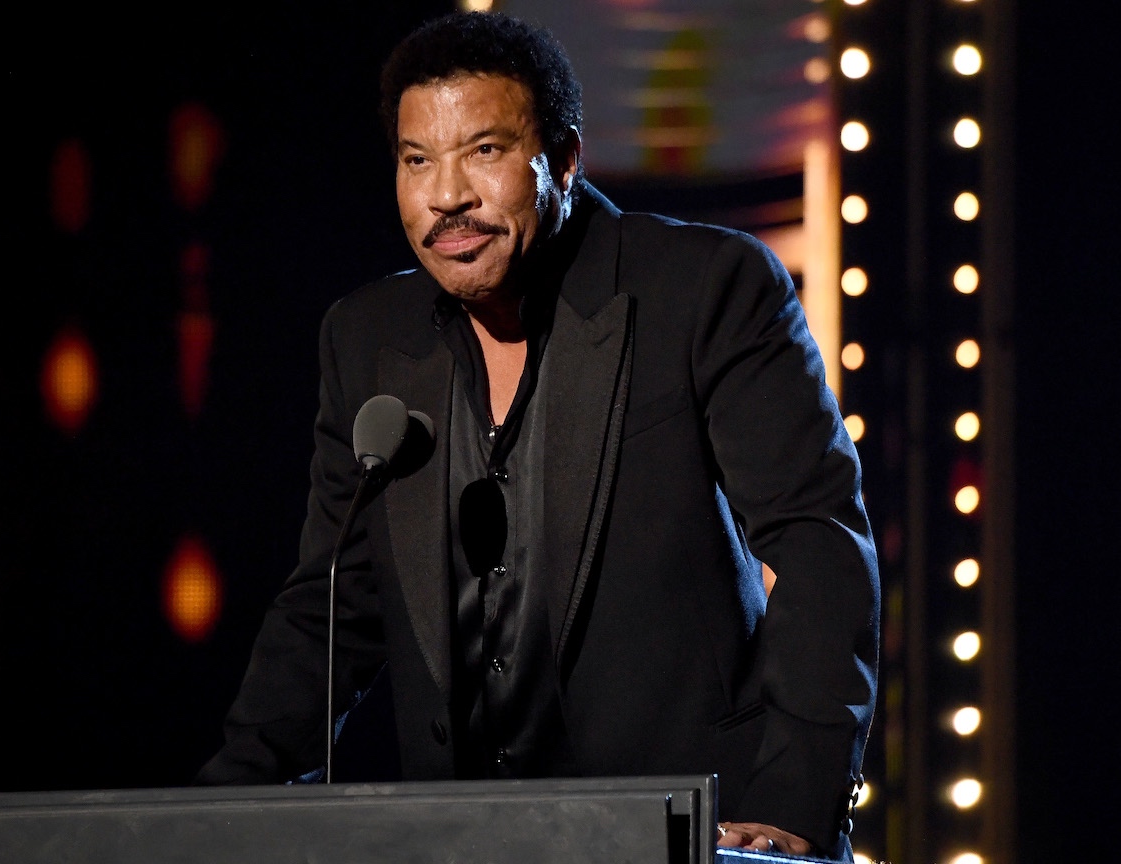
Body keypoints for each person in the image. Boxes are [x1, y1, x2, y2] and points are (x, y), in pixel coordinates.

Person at [198, 10, 879, 860]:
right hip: (463, 841)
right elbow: (332, 605)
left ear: (561, 157)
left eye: (483, 151)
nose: (447, 195)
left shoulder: (704, 288)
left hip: (694, 832)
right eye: (418, 161)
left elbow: (819, 543)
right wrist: (218, 811)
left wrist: (798, 804)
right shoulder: (367, 337)